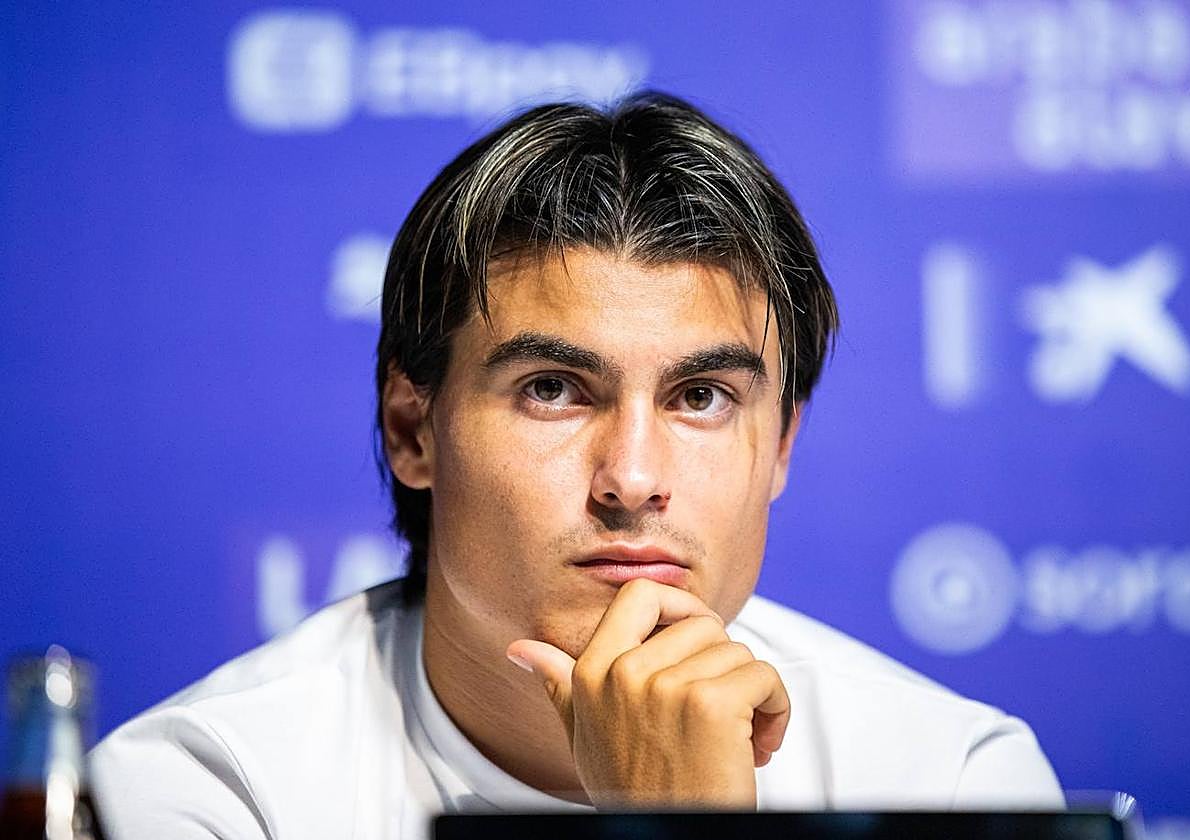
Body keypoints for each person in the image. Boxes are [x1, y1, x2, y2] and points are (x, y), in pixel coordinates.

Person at [90, 92, 1063, 838]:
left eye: (700, 398)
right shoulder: (209, 794)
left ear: (782, 446)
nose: (633, 478)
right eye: (554, 389)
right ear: (412, 430)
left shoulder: (953, 781)